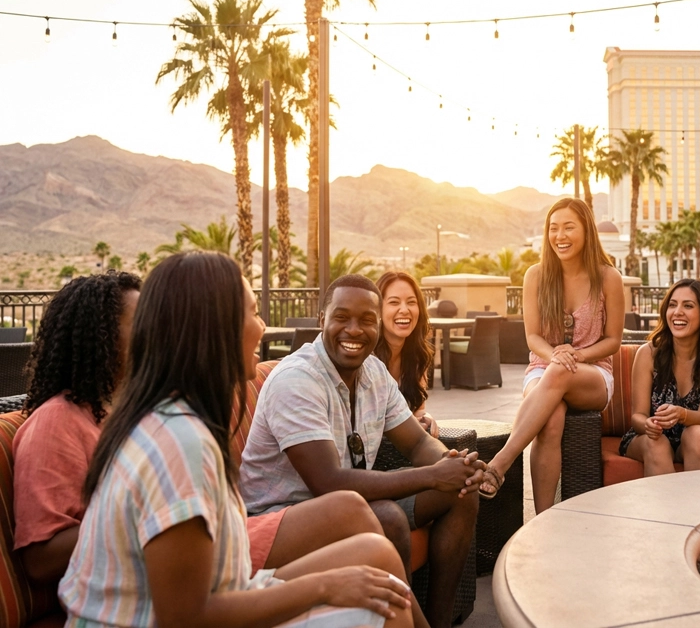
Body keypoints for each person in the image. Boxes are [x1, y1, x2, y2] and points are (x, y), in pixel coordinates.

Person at [60, 252, 414, 628]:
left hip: (228, 590)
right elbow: (186, 618)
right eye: (253, 312)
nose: (262, 326)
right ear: (214, 327)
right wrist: (325, 586)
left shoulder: (174, 417)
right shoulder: (180, 444)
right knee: (382, 604)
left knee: (376, 554)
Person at [239, 274, 484, 628]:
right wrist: (433, 475)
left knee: (461, 494)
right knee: (386, 517)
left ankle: (439, 621)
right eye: (342, 317)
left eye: (367, 320)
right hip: (285, 518)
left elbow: (416, 442)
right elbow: (328, 482)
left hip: (351, 501)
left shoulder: (373, 372)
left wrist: (452, 465)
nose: (354, 330)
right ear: (322, 320)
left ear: (379, 325)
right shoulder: (298, 380)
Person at [479, 198, 624, 512]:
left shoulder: (607, 277)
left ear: (586, 230)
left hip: (593, 373)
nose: (560, 235)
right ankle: (543, 518)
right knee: (552, 414)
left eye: (569, 227)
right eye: (554, 228)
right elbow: (533, 338)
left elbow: (613, 340)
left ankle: (502, 461)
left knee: (558, 373)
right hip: (542, 368)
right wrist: (556, 356)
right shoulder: (535, 276)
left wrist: (577, 356)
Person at [13, 271, 140, 584]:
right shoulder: (56, 421)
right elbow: (41, 559)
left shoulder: (129, 411)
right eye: (143, 324)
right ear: (100, 337)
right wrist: (147, 514)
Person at [618, 279, 700, 476]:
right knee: (657, 443)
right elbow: (638, 416)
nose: (677, 312)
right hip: (652, 436)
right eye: (672, 305)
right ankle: (665, 508)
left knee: (696, 435)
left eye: (688, 306)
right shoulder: (648, 353)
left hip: (698, 433)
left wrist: (681, 414)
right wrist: (647, 425)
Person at [374, 272, 438, 438]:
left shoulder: (417, 355)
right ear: (378, 309)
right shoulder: (367, 358)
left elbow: (418, 411)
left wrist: (426, 418)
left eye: (411, 302)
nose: (404, 310)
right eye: (394, 302)